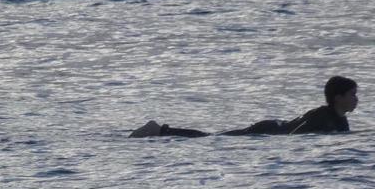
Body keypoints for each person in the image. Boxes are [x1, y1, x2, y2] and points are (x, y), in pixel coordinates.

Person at [130, 77, 359, 138]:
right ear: (338, 97)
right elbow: (295, 134)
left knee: (210, 137)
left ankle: (162, 131)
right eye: (352, 94)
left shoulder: (338, 119)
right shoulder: (324, 116)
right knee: (209, 137)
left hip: (270, 131)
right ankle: (159, 130)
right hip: (265, 131)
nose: (356, 99)